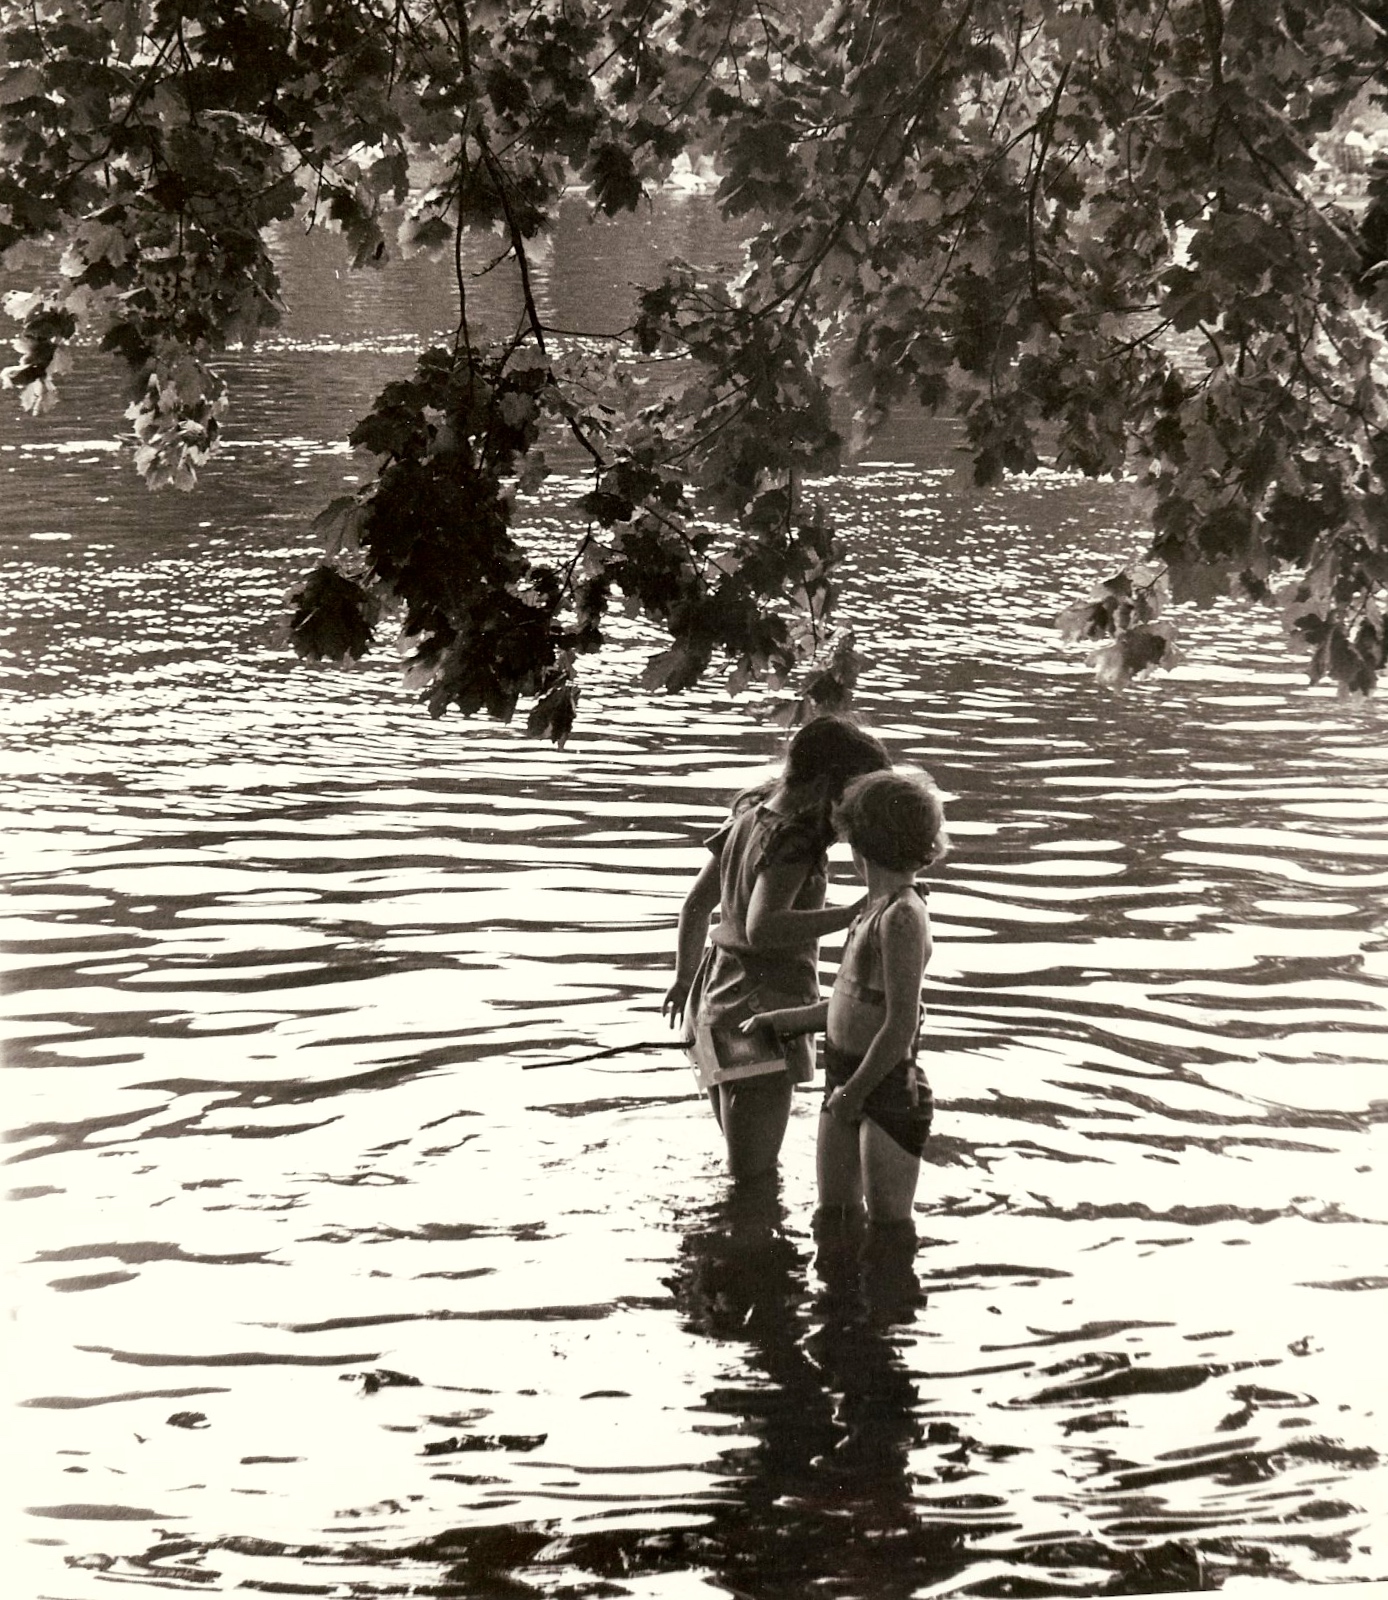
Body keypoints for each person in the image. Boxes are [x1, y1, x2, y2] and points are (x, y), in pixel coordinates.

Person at [662, 716, 892, 1182]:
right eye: (855, 801)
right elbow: (763, 929)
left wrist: (684, 980)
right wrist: (855, 912)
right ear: (827, 785)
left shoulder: (748, 815)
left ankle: (736, 1225)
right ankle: (753, 1227)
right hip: (761, 1013)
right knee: (755, 1176)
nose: (855, 821)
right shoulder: (794, 838)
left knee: (744, 1161)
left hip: (710, 1003)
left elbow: (695, 907)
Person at [742, 768, 948, 1224]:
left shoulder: (902, 917)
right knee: (833, 1215)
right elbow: (851, 1004)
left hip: (886, 1085)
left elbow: (901, 1023)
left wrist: (856, 1092)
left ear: (860, 843)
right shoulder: (870, 911)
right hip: (843, 1076)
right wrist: (784, 1021)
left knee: (889, 1224)